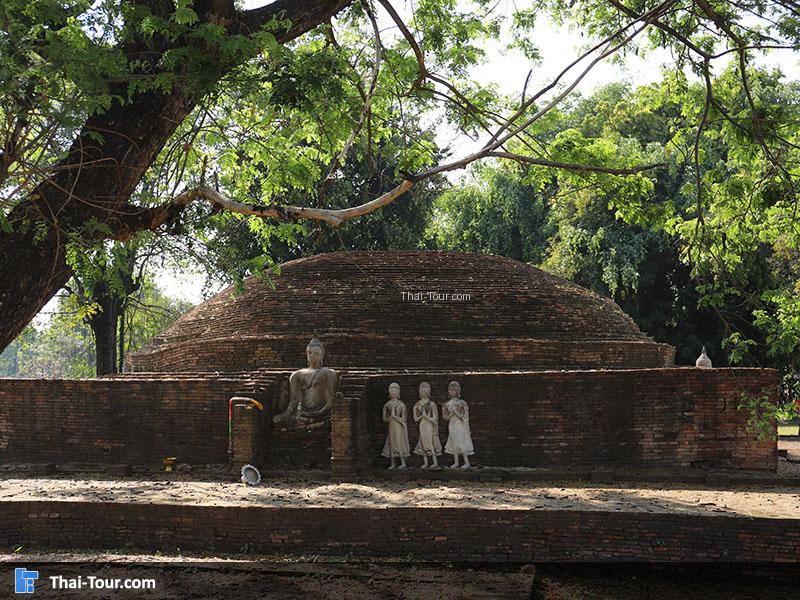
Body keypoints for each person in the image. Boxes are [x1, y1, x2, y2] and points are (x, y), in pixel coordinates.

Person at [442, 380, 474, 469]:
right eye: (451, 390)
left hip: (460, 424)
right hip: (452, 424)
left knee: (461, 441)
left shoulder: (462, 403)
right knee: (453, 441)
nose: (453, 392)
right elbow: (445, 417)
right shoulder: (446, 404)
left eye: (455, 390)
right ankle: (456, 462)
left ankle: (466, 462)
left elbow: (465, 416)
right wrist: (451, 414)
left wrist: (457, 412)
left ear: (458, 391)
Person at [381, 382, 410, 469]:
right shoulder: (387, 405)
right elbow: (385, 419)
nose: (393, 392)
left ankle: (402, 462)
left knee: (399, 442)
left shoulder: (401, 405)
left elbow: (404, 419)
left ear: (398, 392)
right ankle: (393, 463)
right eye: (391, 390)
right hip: (391, 426)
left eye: (395, 390)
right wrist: (391, 417)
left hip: (399, 426)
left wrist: (395, 417)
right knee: (391, 442)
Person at [413, 381, 441, 468]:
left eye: (426, 390)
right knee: (423, 441)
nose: (424, 392)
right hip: (422, 424)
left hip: (429, 425)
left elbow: (435, 417)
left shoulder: (432, 404)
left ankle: (435, 462)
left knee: (429, 441)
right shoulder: (417, 404)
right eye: (422, 390)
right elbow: (415, 419)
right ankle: (425, 462)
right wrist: (422, 416)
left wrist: (426, 417)